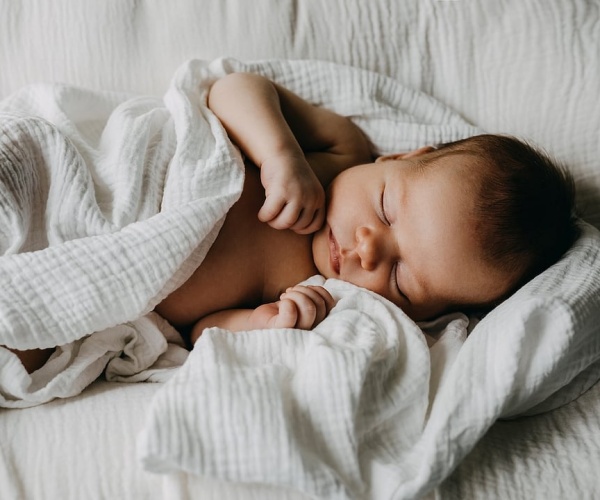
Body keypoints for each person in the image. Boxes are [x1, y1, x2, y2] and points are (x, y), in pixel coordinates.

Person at [10, 72, 578, 371]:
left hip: (102, 281)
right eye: (385, 209)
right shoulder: (339, 150)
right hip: (94, 182)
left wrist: (261, 324)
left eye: (403, 279)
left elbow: (197, 335)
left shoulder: (322, 299)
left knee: (29, 340)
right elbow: (232, 89)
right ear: (400, 158)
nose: (367, 250)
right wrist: (280, 154)